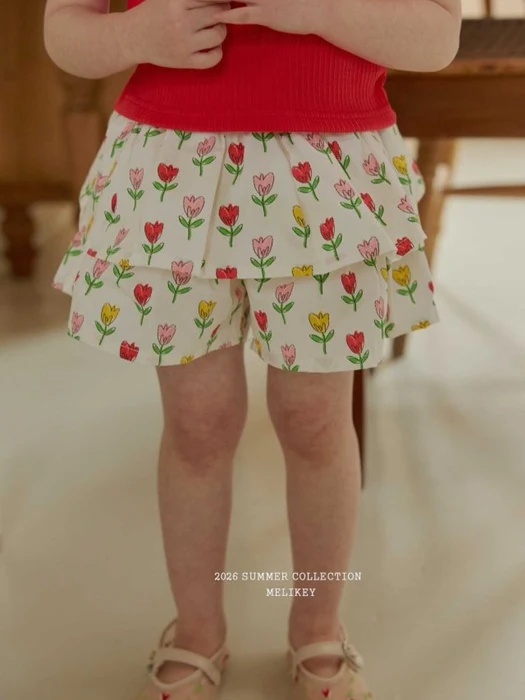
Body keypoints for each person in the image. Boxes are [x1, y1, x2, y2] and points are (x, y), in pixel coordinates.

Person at [44, 0, 461, 698]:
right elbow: (64, 30)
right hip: (171, 168)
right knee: (196, 423)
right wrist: (137, 32)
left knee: (315, 420)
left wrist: (321, 11)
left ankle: (318, 625)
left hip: (330, 167)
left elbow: (438, 37)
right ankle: (197, 628)